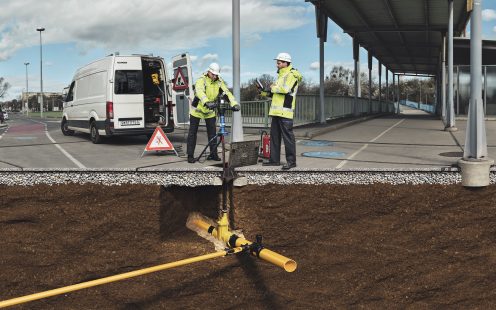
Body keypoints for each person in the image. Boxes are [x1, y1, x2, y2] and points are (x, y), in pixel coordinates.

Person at [187, 62, 240, 163]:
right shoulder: (201, 80)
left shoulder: (219, 82)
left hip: (210, 111)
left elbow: (227, 93)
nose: (214, 76)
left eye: (216, 75)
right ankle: (190, 155)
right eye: (213, 74)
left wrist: (234, 103)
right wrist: (207, 102)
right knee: (192, 133)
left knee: (212, 133)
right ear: (208, 72)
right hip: (197, 110)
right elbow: (200, 91)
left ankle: (213, 154)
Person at [258, 52, 302, 170]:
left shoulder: (292, 75)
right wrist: (263, 91)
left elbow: (286, 90)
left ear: (286, 63)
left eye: (279, 62)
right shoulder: (281, 76)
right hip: (277, 112)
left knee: (288, 137)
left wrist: (273, 87)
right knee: (274, 136)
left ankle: (291, 162)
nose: (277, 64)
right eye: (277, 62)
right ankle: (274, 160)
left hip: (285, 112)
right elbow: (275, 94)